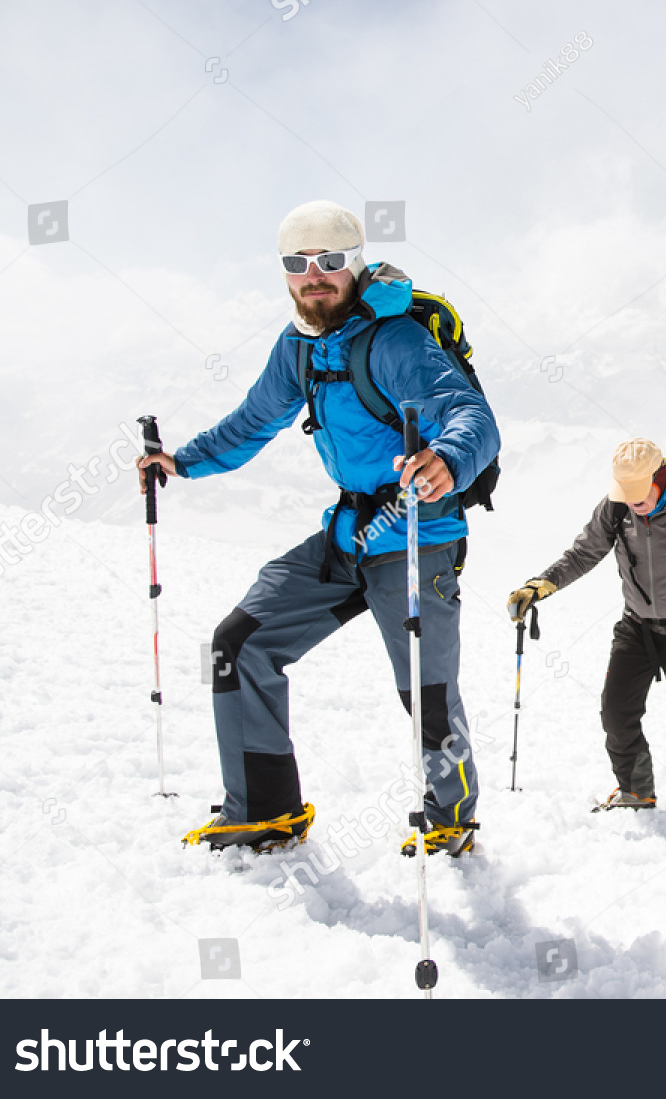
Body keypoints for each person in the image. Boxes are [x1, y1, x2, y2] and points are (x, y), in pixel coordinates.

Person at [145, 200, 501, 855]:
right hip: (349, 535)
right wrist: (183, 461)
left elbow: (468, 414)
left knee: (426, 687)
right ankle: (265, 810)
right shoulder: (298, 347)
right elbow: (253, 420)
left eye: (331, 261)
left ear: (355, 264)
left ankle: (449, 817)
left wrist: (448, 459)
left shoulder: (394, 339)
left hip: (416, 536)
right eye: (298, 263)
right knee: (240, 643)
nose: (315, 275)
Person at [507, 439, 666, 812]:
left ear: (660, 476)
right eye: (625, 493)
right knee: (615, 711)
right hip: (637, 625)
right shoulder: (614, 507)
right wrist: (541, 584)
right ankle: (635, 790)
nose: (632, 500)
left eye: (639, 491)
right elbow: (583, 553)